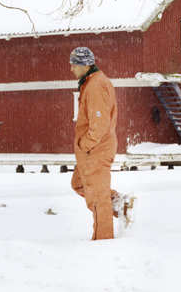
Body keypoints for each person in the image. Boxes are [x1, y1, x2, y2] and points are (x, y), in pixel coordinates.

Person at [69, 46, 134, 240]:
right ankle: (120, 203)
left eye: (74, 64)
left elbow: (100, 122)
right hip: (91, 150)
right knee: (79, 183)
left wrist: (86, 144)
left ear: (85, 65)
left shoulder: (96, 85)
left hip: (96, 149)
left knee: (98, 198)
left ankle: (102, 242)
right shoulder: (91, 83)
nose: (71, 69)